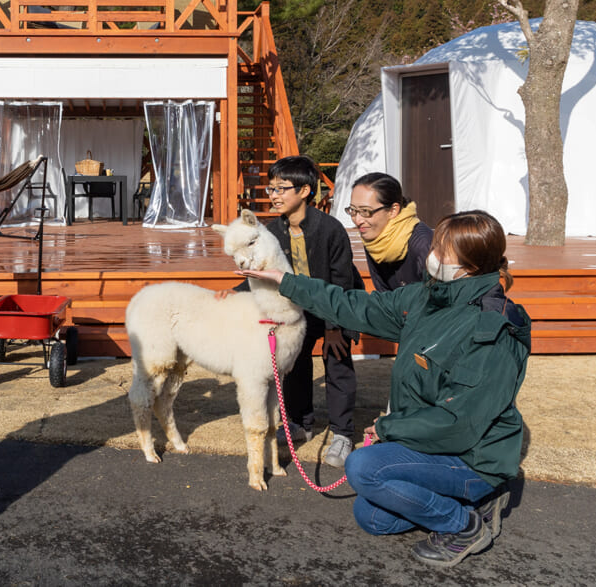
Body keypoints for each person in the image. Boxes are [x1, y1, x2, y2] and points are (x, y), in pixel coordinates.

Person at [238, 210, 530, 567]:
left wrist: (389, 428)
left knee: (364, 466)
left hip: (473, 458)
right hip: (434, 444)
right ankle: (475, 503)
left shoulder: (491, 329)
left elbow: (460, 422)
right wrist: (286, 281)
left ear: (468, 266)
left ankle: (465, 524)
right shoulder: (431, 297)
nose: (432, 254)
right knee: (372, 517)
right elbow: (354, 304)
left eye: (442, 249)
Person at [224, 155, 364, 468]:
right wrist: (231, 295)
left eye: (281, 188)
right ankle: (300, 422)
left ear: (304, 191)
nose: (273, 195)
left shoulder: (331, 229)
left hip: (336, 306)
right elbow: (263, 271)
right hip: (296, 308)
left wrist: (333, 328)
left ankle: (342, 434)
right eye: (271, 188)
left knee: (338, 362)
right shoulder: (272, 230)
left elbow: (341, 280)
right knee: (294, 364)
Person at [347, 172, 433, 291]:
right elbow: (384, 296)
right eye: (353, 210)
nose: (357, 220)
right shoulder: (375, 240)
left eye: (366, 211)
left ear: (393, 210)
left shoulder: (424, 244)